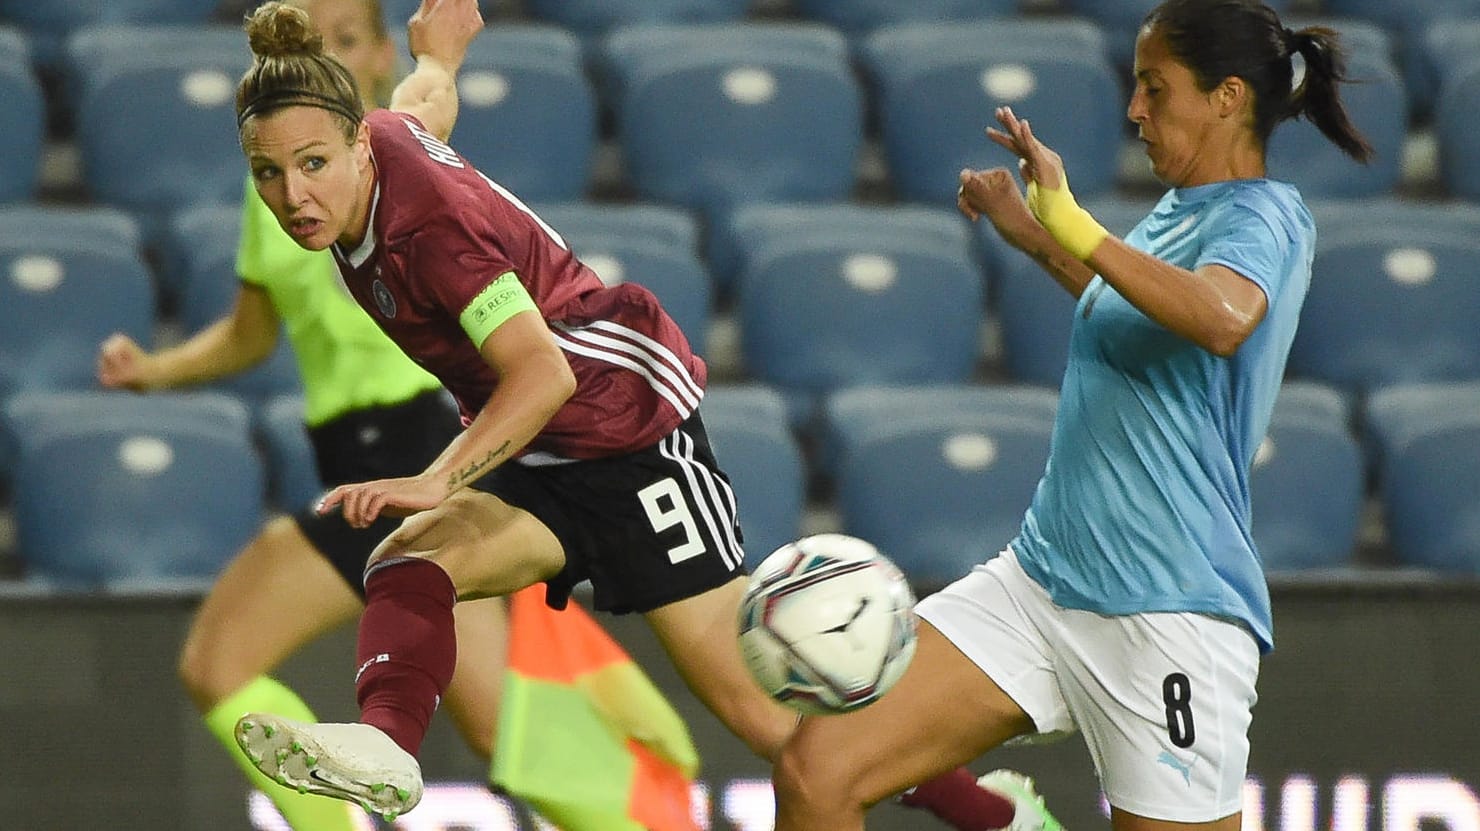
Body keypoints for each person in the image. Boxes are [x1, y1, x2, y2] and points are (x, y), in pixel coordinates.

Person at [224, 0, 1030, 827]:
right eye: (268, 174)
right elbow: (422, 105)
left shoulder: (426, 232)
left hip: (630, 434)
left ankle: (997, 814)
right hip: (541, 451)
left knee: (782, 732)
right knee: (409, 561)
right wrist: (443, 59)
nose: (293, 195)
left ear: (358, 145)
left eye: (313, 163)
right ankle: (386, 743)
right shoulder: (379, 143)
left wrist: (436, 477)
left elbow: (543, 375)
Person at [768, 1, 1375, 829]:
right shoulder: (1174, 215)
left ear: (1227, 96)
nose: (1134, 111)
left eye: (1154, 90)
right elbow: (1131, 312)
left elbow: (1222, 319)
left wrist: (1078, 226)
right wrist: (1033, 233)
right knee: (818, 768)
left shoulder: (1262, 216)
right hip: (1043, 580)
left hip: (1166, 610)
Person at [95, 3, 498, 829]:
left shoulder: (401, 153)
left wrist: (444, 63)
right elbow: (249, 334)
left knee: (220, 662)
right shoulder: (276, 188)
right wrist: (153, 373)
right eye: (316, 46)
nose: (332, 62)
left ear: (383, 58)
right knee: (506, 726)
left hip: (420, 447)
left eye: (347, 41)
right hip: (355, 461)